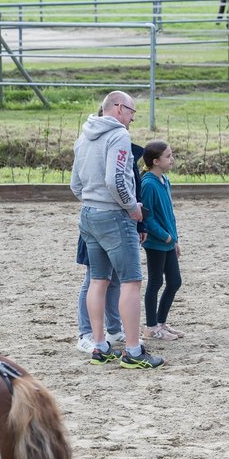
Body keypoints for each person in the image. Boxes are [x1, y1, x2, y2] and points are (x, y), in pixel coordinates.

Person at [70, 90, 163, 369]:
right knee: (131, 281)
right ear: (119, 108)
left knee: (98, 280)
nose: (133, 119)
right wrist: (132, 207)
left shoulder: (84, 135)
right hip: (114, 215)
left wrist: (91, 199)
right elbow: (116, 179)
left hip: (88, 214)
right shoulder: (119, 135)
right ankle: (133, 351)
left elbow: (75, 184)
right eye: (132, 112)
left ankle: (99, 346)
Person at [140, 140, 183, 342]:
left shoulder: (165, 180)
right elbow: (147, 217)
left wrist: (174, 239)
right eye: (168, 156)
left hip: (168, 241)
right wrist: (165, 236)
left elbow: (169, 214)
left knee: (174, 281)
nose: (172, 158)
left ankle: (161, 322)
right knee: (156, 282)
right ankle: (150, 327)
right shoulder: (148, 183)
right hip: (156, 243)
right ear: (155, 161)